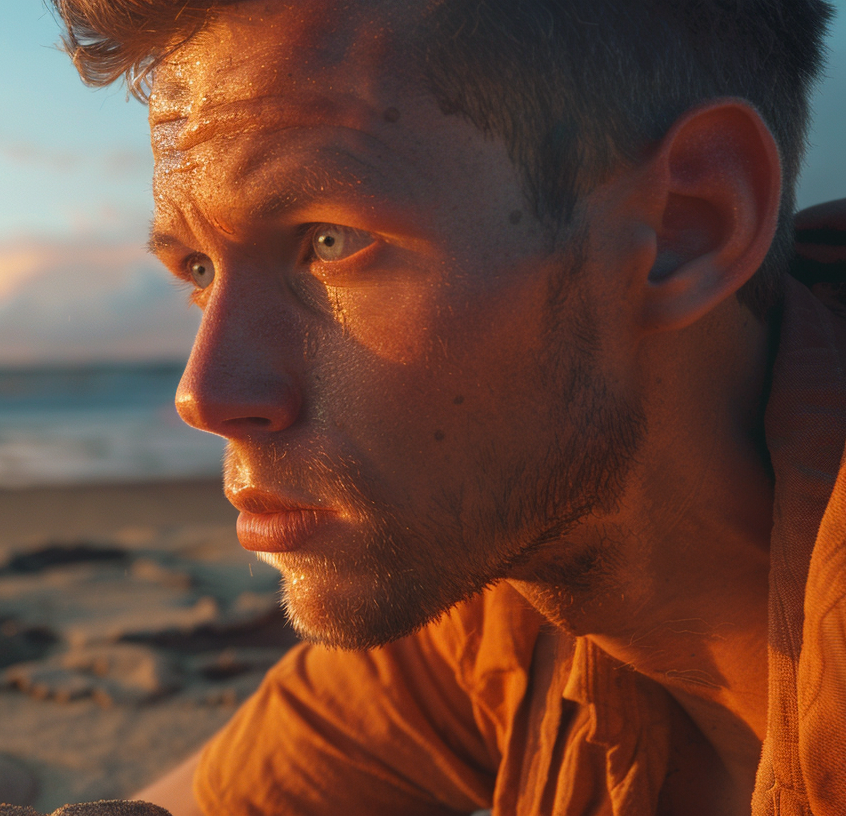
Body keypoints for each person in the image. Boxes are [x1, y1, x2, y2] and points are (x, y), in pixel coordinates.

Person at [43, 0, 845, 813]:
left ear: (686, 227)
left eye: (329, 241)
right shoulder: (496, 610)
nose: (206, 395)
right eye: (200, 270)